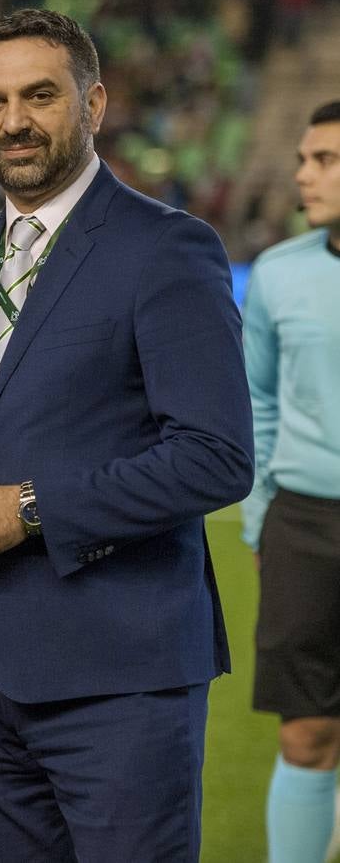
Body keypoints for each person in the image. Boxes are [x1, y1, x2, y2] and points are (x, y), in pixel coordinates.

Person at [0, 9, 253, 861]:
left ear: (94, 103)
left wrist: (31, 508)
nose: (13, 122)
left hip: (120, 681)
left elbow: (216, 455)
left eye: (39, 96)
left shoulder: (168, 249)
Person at [242, 99, 340, 863]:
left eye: (325, 160)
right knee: (306, 732)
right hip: (305, 525)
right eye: (305, 158)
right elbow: (261, 405)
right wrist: (261, 520)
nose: (304, 174)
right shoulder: (277, 273)